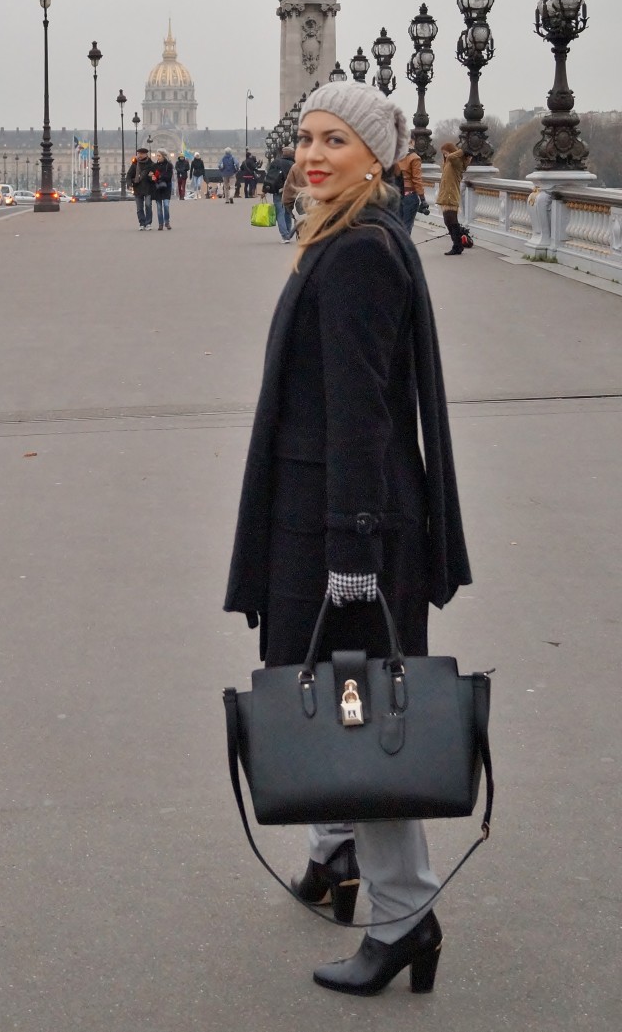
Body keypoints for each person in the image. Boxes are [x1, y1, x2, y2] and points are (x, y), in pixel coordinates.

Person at [224, 81, 471, 997]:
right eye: (308, 138)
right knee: (331, 684)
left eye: (337, 141)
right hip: (328, 511)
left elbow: (364, 416)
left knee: (364, 712)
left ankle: (407, 913)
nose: (313, 154)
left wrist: (354, 554)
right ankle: (337, 853)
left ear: (375, 156)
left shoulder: (361, 253)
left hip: (346, 518)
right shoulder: (346, 234)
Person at [436, 142, 473, 255]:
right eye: (443, 154)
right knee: (449, 221)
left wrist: (462, 150)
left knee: (451, 220)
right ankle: (457, 244)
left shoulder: (455, 162)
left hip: (451, 194)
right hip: (446, 194)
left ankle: (457, 245)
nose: (445, 156)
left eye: (446, 153)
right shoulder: (449, 163)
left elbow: (452, 156)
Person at [263, 146, 295, 241]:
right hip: (290, 191)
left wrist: (264, 190)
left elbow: (269, 177)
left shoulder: (275, 162)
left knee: (280, 213)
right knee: (288, 213)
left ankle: (284, 236)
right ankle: (288, 233)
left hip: (278, 190)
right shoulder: (293, 164)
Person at [394, 147, 425, 234]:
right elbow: (417, 180)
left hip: (398, 193)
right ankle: (405, 246)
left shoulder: (396, 157)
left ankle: (397, 246)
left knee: (398, 225)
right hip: (410, 194)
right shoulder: (414, 158)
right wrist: (422, 198)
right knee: (407, 226)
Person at [125, 145, 155, 230]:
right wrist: (130, 184)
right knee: (139, 208)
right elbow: (129, 175)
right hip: (137, 188)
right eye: (139, 153)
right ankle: (142, 223)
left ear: (146, 155)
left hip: (148, 188)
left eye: (142, 154)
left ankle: (148, 223)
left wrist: (151, 177)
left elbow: (154, 178)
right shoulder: (134, 164)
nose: (140, 155)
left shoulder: (151, 164)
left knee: (148, 205)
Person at [151, 151, 173, 229]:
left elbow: (169, 177)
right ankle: (160, 224)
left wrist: (159, 176)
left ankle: (167, 222)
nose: (158, 157)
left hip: (166, 188)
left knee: (166, 205)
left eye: (159, 156)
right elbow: (151, 176)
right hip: (157, 189)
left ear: (163, 156)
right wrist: (152, 177)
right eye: (157, 156)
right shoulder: (154, 166)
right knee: (159, 208)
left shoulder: (169, 165)